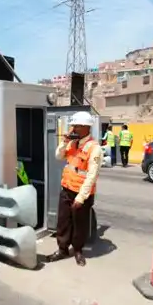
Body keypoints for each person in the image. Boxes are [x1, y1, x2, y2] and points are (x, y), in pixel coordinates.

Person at [45, 111, 103, 266]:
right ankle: (62, 249)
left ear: (86, 127)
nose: (73, 129)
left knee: (80, 224)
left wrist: (81, 197)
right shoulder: (72, 143)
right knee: (63, 222)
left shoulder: (94, 148)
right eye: (73, 126)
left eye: (76, 126)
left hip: (81, 194)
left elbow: (92, 175)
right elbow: (58, 156)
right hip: (67, 188)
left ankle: (78, 250)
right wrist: (64, 142)